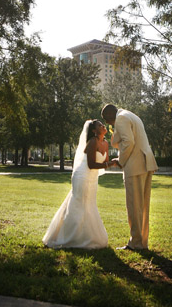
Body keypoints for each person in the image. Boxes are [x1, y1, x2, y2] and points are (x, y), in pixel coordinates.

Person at [43, 119, 113, 249]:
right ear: (94, 130)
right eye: (99, 125)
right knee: (78, 205)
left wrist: (114, 161)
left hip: (92, 178)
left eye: (102, 124)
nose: (103, 125)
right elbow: (91, 164)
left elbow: (105, 162)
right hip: (82, 175)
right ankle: (68, 237)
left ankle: (87, 237)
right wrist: (111, 163)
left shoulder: (106, 143)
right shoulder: (92, 142)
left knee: (89, 204)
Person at [101, 103, 158, 250]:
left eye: (106, 119)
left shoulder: (121, 118)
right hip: (145, 163)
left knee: (134, 206)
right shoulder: (130, 115)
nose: (106, 123)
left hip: (135, 165)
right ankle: (141, 242)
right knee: (142, 206)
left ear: (110, 114)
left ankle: (135, 243)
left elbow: (128, 142)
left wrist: (120, 161)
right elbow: (123, 141)